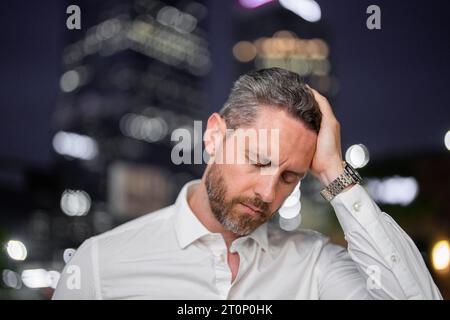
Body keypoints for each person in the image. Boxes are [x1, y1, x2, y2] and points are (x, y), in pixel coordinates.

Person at [53, 68, 442, 299]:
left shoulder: (314, 264)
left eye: (290, 176)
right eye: (258, 160)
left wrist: (334, 174)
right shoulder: (101, 263)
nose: (268, 193)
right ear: (213, 138)